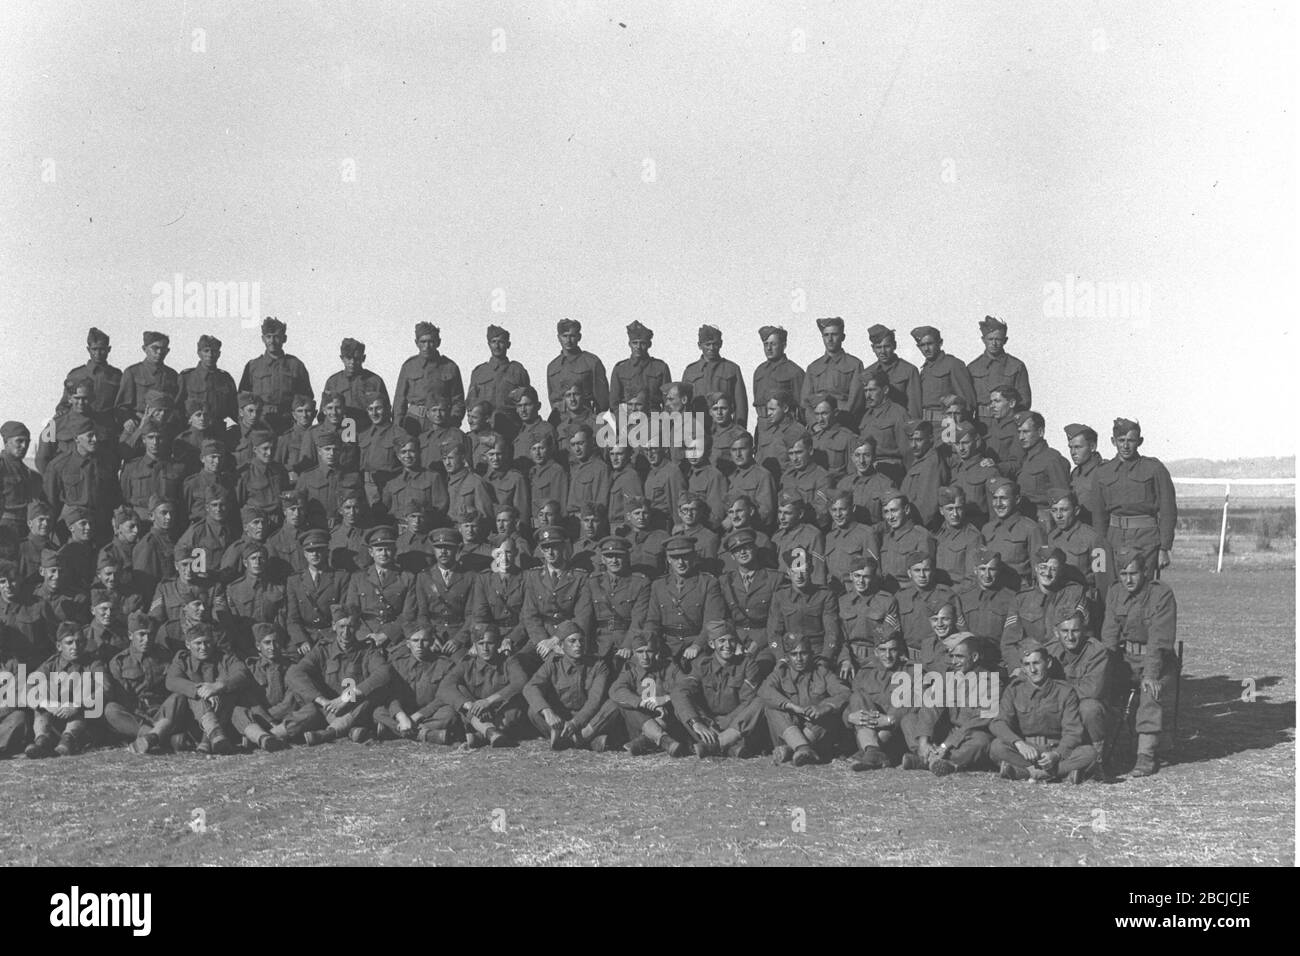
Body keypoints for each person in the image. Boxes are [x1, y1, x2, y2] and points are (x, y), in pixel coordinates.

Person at [1100, 547, 1179, 776]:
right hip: (1126, 659)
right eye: (1123, 575)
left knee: (1149, 691)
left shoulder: (1161, 594)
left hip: (1157, 661)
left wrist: (1150, 675)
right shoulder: (1115, 593)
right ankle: (1102, 750)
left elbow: (1159, 641)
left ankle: (1146, 755)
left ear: (1145, 572)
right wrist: (1104, 670)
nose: (1128, 580)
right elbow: (1109, 636)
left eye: (1133, 574)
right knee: (1102, 689)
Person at [286, 604, 393, 746]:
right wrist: (323, 701)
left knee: (374, 694)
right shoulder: (323, 650)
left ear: (358, 626)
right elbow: (294, 673)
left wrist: (346, 698)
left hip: (357, 707)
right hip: (328, 709)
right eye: (342, 626)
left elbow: (384, 672)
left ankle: (329, 733)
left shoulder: (367, 651)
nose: (346, 632)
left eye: (351, 626)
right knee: (301, 712)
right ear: (333, 626)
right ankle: (350, 730)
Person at [989, 644, 1098, 783]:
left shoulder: (1064, 691)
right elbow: (998, 723)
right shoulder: (1014, 690)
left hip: (1055, 750)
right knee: (996, 747)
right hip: (1027, 752)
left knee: (1089, 753)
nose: (1032, 669)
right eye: (1027, 665)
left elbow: (1073, 731)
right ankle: (1058, 773)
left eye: (1036, 663)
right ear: (1022, 668)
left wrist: (1056, 754)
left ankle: (1025, 773)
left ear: (1048, 663)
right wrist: (1019, 744)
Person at [154, 622, 251, 755]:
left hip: (223, 715)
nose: (203, 647)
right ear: (188, 645)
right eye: (198, 643)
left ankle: (209, 740)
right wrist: (200, 690)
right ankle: (211, 738)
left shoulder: (225, 657)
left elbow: (242, 673)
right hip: (193, 720)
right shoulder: (182, 659)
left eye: (207, 642)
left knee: (228, 695)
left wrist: (218, 686)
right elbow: (171, 681)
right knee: (188, 697)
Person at [1096, 418, 1177, 574]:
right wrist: (1100, 550)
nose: (1126, 446)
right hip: (1114, 539)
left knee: (1144, 589)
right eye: (1121, 440)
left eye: (1131, 440)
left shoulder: (1154, 468)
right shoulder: (1102, 472)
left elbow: (1168, 510)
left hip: (1145, 539)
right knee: (1115, 588)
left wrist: (1164, 548)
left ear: (1140, 441)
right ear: (1113, 441)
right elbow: (1099, 516)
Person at [522, 620, 619, 751]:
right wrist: (548, 712)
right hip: (562, 719)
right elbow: (530, 687)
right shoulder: (553, 663)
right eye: (572, 641)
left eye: (581, 641)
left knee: (613, 705)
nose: (578, 645)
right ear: (561, 645)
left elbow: (594, 701)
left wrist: (575, 723)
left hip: (588, 719)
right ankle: (588, 741)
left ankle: (574, 740)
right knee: (534, 710)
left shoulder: (599, 665)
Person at [433, 622, 531, 747]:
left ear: (498, 644)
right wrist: (471, 705)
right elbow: (444, 687)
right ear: (474, 646)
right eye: (480, 644)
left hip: (502, 712)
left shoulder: (509, 661)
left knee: (515, 708)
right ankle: (489, 733)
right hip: (477, 714)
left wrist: (488, 701)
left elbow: (521, 681)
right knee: (459, 689)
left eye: (489, 643)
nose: (485, 648)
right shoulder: (467, 663)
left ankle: (481, 736)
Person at [760, 633, 849, 766]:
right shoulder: (781, 673)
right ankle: (802, 748)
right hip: (787, 730)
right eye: (794, 654)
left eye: (803, 653)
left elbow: (845, 692)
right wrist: (791, 706)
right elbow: (764, 690)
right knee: (772, 708)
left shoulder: (822, 672)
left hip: (815, 731)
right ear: (787, 657)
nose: (799, 659)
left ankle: (793, 750)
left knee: (831, 712)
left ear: (811, 654)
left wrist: (825, 707)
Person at [1045, 609, 1116, 774]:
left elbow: (1092, 690)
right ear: (1056, 633)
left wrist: (1059, 695)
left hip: (1091, 712)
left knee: (1089, 708)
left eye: (1075, 631)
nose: (1070, 637)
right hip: (1061, 710)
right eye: (1065, 631)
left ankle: (1097, 760)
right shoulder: (1049, 651)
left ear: (1084, 631)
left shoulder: (1097, 651)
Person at [916, 635, 997, 775]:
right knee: (909, 721)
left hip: (970, 734)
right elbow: (931, 706)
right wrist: (924, 741)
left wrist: (945, 745)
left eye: (960, 657)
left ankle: (943, 762)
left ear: (975, 657)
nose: (954, 662)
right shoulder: (950, 676)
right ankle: (927, 755)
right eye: (952, 656)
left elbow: (976, 722)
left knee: (981, 741)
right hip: (950, 732)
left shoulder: (990, 681)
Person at [844, 631, 925, 770]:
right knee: (857, 697)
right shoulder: (864, 673)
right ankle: (874, 751)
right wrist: (849, 717)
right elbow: (850, 706)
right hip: (867, 732)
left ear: (899, 651)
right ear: (876, 651)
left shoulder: (913, 671)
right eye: (883, 650)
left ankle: (871, 752)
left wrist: (889, 719)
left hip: (895, 734)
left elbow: (917, 703)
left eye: (892, 650)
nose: (887, 655)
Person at [24, 622, 106, 758]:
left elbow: (105, 688)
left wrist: (78, 705)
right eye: (69, 643)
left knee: (86, 687)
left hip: (83, 723)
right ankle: (42, 740)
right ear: (59, 646)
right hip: (53, 719)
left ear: (85, 643)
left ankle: (68, 740)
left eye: (79, 642)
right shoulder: (50, 665)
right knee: (43, 688)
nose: (75, 647)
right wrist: (46, 704)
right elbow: (28, 687)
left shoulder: (93, 664)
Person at [373, 624, 460, 743]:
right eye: (415, 640)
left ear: (432, 642)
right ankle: (425, 735)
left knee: (450, 714)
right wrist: (402, 717)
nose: (419, 645)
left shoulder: (445, 664)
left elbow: (443, 697)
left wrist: (419, 715)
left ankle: (394, 731)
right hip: (404, 711)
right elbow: (392, 695)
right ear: (408, 644)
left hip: (431, 713)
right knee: (378, 712)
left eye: (424, 640)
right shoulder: (398, 664)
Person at [610, 629, 690, 756]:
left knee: (676, 709)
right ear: (634, 654)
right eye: (640, 652)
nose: (645, 657)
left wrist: (666, 698)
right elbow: (616, 690)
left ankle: (644, 742)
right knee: (626, 704)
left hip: (665, 720)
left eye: (649, 651)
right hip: (639, 723)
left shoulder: (670, 667)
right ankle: (663, 740)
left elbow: (688, 684)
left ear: (657, 652)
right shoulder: (630, 669)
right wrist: (642, 702)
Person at [647, 535, 725, 663]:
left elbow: (713, 621)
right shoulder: (659, 585)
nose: (680, 563)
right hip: (667, 645)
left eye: (685, 557)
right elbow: (652, 621)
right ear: (668, 559)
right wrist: (651, 644)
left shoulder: (708, 583)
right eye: (675, 558)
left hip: (696, 644)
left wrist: (698, 645)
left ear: (694, 556)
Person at [105, 613, 173, 753]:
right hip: (136, 715)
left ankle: (153, 737)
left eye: (150, 634)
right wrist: (144, 720)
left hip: (161, 711)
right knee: (111, 709)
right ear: (130, 635)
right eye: (141, 634)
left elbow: (170, 689)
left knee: (178, 698)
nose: (146, 639)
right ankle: (153, 734)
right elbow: (124, 699)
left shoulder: (165, 655)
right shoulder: (119, 662)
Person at [344, 525, 418, 649]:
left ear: (394, 551)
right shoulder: (358, 577)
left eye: (388, 549)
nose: (383, 553)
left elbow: (408, 614)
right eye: (379, 550)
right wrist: (367, 635)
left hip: (395, 638)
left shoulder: (407, 577)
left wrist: (386, 634)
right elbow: (352, 611)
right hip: (364, 636)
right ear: (371, 552)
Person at [239, 317, 313, 434]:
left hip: (288, 424)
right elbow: (242, 399)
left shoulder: (295, 365)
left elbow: (306, 398)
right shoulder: (253, 366)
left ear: (284, 339)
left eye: (276, 336)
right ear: (263, 339)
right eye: (268, 336)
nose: (272, 341)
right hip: (260, 424)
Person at [229, 622, 295, 752]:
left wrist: (270, 719)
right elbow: (249, 700)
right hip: (258, 716)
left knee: (309, 711)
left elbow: (290, 702)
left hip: (283, 718)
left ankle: (260, 736)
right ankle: (264, 737)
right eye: (267, 643)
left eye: (275, 642)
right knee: (237, 711)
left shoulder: (291, 667)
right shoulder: (250, 668)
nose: (272, 647)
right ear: (258, 646)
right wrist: (267, 719)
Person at [767, 546, 840, 664]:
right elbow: (774, 633)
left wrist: (825, 658)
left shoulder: (825, 596)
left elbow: (831, 632)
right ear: (788, 572)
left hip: (818, 655)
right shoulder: (780, 596)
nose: (799, 576)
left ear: (811, 569)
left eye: (803, 571)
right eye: (794, 572)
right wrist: (781, 657)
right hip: (790, 656)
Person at [585, 536, 649, 664]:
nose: (614, 560)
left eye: (618, 556)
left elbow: (638, 620)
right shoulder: (592, 582)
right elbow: (586, 617)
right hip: (599, 643)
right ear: (603, 559)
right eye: (609, 556)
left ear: (627, 557)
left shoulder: (640, 583)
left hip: (627, 639)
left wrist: (627, 645)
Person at [414, 527, 476, 655]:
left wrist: (459, 640)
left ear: (457, 549)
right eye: (438, 547)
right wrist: (429, 636)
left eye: (448, 547)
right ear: (433, 549)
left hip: (458, 635)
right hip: (432, 636)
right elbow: (422, 613)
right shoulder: (424, 577)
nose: (443, 551)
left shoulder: (470, 576)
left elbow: (472, 614)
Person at [393, 322, 465, 430]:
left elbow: (458, 401)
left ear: (438, 343)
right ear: (416, 343)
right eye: (423, 342)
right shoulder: (409, 366)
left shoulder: (450, 367)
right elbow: (399, 400)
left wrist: (452, 424)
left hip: (440, 423)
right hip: (413, 423)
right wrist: (398, 427)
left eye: (431, 342)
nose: (427, 346)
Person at [286, 528, 347, 655]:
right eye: (310, 550)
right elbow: (292, 619)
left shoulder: (340, 577)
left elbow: (342, 615)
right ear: (304, 554)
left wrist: (336, 637)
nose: (314, 554)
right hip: (307, 635)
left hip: (332, 635)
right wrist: (301, 640)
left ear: (327, 552)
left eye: (319, 550)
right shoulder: (294, 581)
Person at [980, 478, 1044, 588]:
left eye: (1004, 498)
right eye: (995, 498)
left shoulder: (1031, 528)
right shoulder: (987, 529)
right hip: (993, 589)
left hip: (1018, 591)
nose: (998, 504)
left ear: (1017, 499)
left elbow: (1038, 570)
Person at [801, 317, 865, 429]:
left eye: (834, 334)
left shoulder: (854, 364)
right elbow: (805, 402)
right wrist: (815, 424)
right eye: (826, 335)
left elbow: (855, 401)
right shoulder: (813, 367)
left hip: (843, 425)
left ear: (842, 337)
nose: (830, 339)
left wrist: (837, 423)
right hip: (818, 428)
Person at [911, 326, 976, 435]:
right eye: (922, 345)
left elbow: (968, 402)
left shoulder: (953, 364)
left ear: (940, 343)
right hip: (927, 426)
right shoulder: (925, 369)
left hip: (947, 425)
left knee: (945, 451)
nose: (926, 349)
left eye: (930, 344)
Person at [1012, 411, 1071, 529]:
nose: (1021, 437)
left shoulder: (1052, 458)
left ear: (1040, 432)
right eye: (1019, 432)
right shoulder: (1025, 459)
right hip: (1024, 520)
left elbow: (1062, 497)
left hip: (1043, 522)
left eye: (1026, 432)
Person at [682, 325, 748, 429]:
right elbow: (684, 406)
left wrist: (739, 431)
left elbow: (741, 405)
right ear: (699, 345)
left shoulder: (732, 369)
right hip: (699, 428)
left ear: (721, 344)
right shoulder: (690, 371)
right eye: (707, 344)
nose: (711, 348)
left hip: (724, 427)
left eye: (715, 344)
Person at [966, 315, 1032, 420]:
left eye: (998, 339)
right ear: (983, 340)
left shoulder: (1016, 366)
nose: (994, 343)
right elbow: (968, 402)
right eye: (990, 339)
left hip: (1008, 423)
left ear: (1005, 340)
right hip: (981, 424)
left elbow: (1025, 401)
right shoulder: (973, 368)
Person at [115, 331, 181, 433]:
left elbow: (176, 405)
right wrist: (127, 419)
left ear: (167, 351)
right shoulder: (133, 372)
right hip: (139, 425)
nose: (159, 352)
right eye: (155, 348)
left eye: (163, 349)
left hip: (165, 428)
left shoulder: (172, 375)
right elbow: (122, 406)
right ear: (144, 349)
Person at [546, 319, 610, 420]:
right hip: (560, 423)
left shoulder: (591, 362)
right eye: (564, 336)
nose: (568, 340)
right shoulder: (552, 367)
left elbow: (603, 400)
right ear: (558, 338)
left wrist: (596, 423)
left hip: (586, 420)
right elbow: (553, 399)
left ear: (579, 337)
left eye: (572, 336)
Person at [177, 334, 239, 431]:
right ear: (199, 353)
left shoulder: (225, 379)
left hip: (218, 431)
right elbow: (177, 408)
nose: (210, 355)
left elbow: (234, 409)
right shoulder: (187, 377)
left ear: (219, 354)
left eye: (214, 351)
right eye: (206, 351)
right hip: (194, 430)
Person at [323, 337, 390, 425]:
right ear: (342, 358)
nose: (352, 362)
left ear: (363, 358)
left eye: (357, 358)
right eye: (348, 358)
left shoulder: (375, 381)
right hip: (342, 430)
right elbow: (324, 414)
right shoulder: (333, 382)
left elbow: (386, 411)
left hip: (368, 430)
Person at [609, 321, 673, 412]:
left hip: (654, 418)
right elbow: (614, 403)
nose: (638, 347)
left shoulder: (660, 368)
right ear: (629, 344)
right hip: (628, 418)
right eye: (635, 343)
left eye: (642, 343)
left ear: (649, 345)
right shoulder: (620, 369)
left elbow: (668, 401)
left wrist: (661, 422)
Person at [60, 327, 122, 419]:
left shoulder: (116, 375)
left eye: (102, 349)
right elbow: (64, 405)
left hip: (108, 426)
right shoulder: (76, 375)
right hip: (81, 426)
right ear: (88, 349)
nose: (98, 353)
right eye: (94, 349)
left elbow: (121, 404)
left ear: (109, 349)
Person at [900, 420, 950, 530]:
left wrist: (907, 530)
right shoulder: (920, 460)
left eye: (918, 440)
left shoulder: (931, 462)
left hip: (920, 529)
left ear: (931, 439)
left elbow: (926, 508)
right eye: (911, 440)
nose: (913, 445)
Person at [751, 325, 804, 429]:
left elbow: (802, 408)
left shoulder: (794, 371)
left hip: (785, 428)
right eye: (766, 344)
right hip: (763, 429)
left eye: (773, 344)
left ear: (784, 345)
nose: (769, 348)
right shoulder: (759, 371)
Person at [877, 490, 933, 588]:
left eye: (894, 510)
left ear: (906, 510)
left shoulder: (921, 536)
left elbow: (925, 577)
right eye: (886, 512)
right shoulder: (886, 538)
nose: (890, 517)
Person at [726, 433, 776, 530]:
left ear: (753, 450)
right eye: (734, 450)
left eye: (742, 449)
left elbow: (766, 513)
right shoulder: (732, 476)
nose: (738, 454)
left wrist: (738, 521)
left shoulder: (763, 476)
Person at [934, 485, 981, 587]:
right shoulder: (937, 534)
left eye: (958, 508)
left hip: (958, 595)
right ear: (941, 511)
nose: (955, 514)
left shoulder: (973, 537)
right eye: (950, 509)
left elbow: (972, 579)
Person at [1064, 423, 1106, 531]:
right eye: (1071, 447)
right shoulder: (1075, 473)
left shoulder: (1104, 471)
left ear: (1092, 447)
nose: (1073, 452)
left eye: (1078, 447)